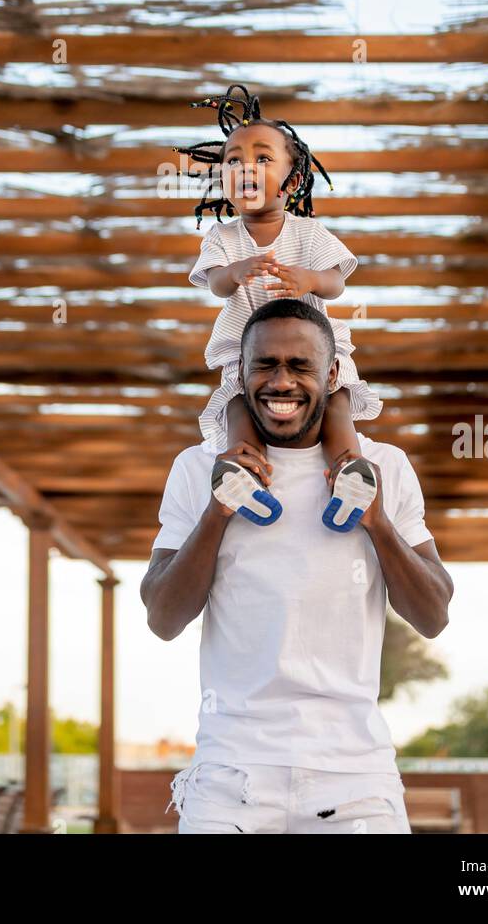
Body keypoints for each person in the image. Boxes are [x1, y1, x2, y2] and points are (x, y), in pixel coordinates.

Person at [140, 298, 454, 835]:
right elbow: (163, 617)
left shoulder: (385, 469)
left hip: (355, 778)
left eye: (300, 365)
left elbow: (434, 613)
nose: (280, 381)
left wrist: (376, 521)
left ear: (333, 374)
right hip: (231, 776)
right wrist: (218, 513)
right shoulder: (198, 468)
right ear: (240, 372)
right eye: (265, 365)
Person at [175, 82, 382, 529]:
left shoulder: (307, 233)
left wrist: (309, 279)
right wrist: (237, 270)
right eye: (234, 160)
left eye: (263, 158)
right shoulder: (223, 238)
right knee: (235, 403)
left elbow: (336, 283)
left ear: (290, 182)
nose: (246, 166)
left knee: (338, 396)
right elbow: (215, 285)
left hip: (311, 351)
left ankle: (349, 467)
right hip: (244, 350)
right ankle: (242, 472)